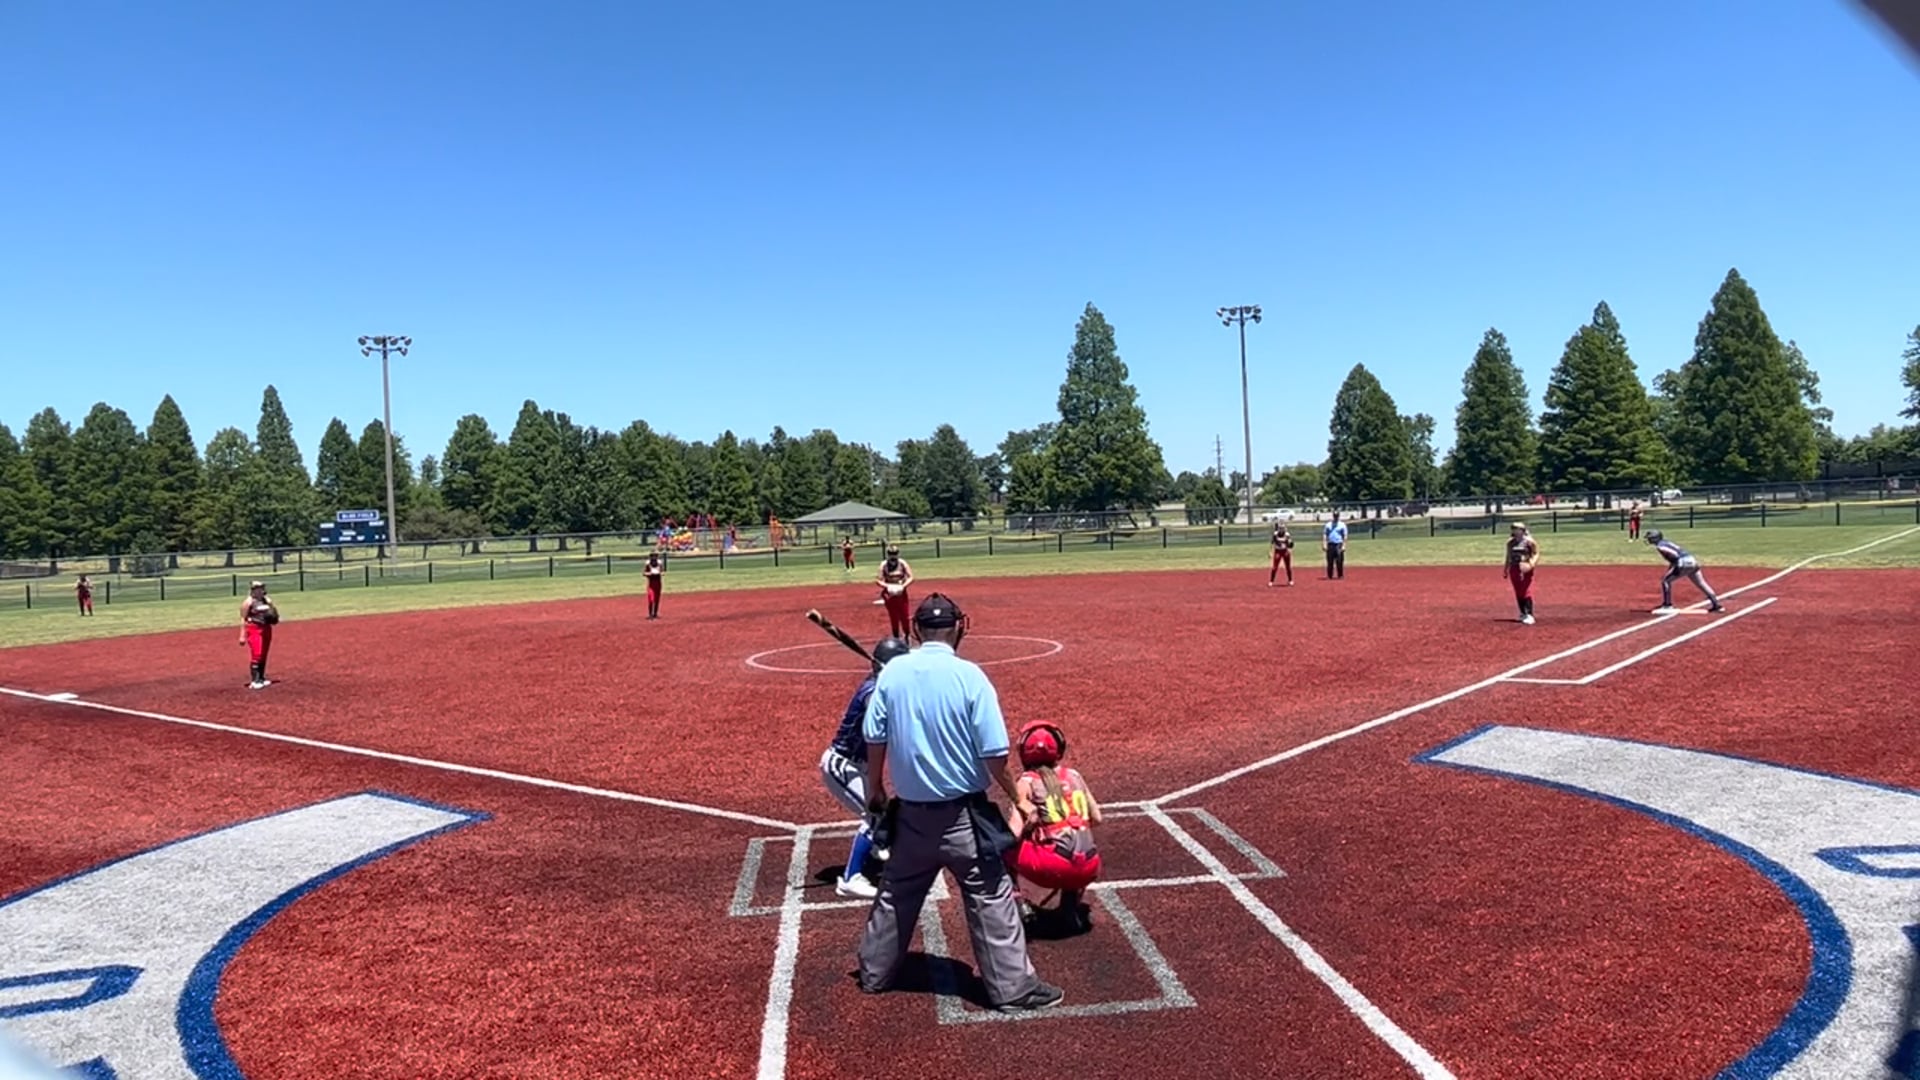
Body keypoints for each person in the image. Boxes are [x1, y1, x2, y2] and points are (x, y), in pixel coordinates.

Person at [856, 593, 1062, 1013]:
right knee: (990, 895)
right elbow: (994, 753)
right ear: (959, 628)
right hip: (963, 818)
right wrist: (1017, 798)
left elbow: (874, 736)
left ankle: (874, 973)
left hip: (910, 815)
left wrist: (875, 786)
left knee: (896, 892)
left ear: (916, 630)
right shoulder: (970, 676)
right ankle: (1012, 989)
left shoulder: (892, 674)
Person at [819, 637, 913, 899]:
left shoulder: (881, 687)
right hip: (842, 765)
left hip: (858, 765)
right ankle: (850, 879)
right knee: (874, 814)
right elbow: (879, 715)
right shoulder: (871, 691)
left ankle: (873, 847)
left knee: (883, 812)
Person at [1005, 720, 1102, 934]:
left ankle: (1019, 904)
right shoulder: (1074, 776)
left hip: (1054, 866)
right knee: (1076, 844)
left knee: (1003, 850)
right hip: (1090, 865)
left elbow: (1013, 833)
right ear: (1059, 748)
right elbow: (1096, 818)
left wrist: (1033, 833)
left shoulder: (1026, 782)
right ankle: (1070, 907)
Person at [1646, 531, 1725, 614]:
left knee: (1665, 581)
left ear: (1655, 538)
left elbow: (1675, 556)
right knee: (1701, 583)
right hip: (1692, 560)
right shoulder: (1666, 542)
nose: (1648, 539)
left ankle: (1667, 605)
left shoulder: (1661, 546)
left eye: (1650, 537)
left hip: (1683, 562)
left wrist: (1677, 567)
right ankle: (1716, 605)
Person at [239, 580, 279, 690]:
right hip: (254, 628)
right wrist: (242, 635)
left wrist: (274, 616)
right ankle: (254, 681)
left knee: (264, 653)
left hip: (266, 628)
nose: (260, 590)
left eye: (261, 588)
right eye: (257, 588)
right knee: (257, 653)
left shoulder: (267, 600)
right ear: (252, 590)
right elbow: (243, 619)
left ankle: (261, 678)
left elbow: (273, 612)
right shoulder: (248, 602)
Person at [875, 543, 914, 639]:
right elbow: (878, 580)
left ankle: (907, 635)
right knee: (893, 616)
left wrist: (903, 586)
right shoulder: (884, 565)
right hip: (890, 594)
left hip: (901, 593)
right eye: (891, 553)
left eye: (895, 553)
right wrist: (888, 586)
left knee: (904, 615)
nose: (893, 556)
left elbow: (911, 577)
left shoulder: (902, 563)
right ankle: (896, 635)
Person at [1505, 522, 1539, 625]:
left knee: (1525, 589)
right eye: (1513, 528)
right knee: (1518, 590)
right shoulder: (1510, 542)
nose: (1515, 530)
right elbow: (1508, 556)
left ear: (1523, 530)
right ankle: (1523, 612)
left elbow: (1536, 553)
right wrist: (1506, 568)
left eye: (1517, 528)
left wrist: (1531, 564)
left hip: (1525, 567)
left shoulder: (1529, 542)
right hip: (1514, 567)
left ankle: (1530, 614)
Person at [1322, 512, 1348, 579]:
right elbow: (1325, 535)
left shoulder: (1342, 525)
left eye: (1337, 516)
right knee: (1330, 561)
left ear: (1338, 516)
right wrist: (1324, 544)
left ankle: (1340, 575)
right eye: (1335, 516)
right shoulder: (1328, 525)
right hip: (1330, 544)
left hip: (1339, 544)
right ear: (1333, 516)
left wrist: (1344, 545)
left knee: (1339, 561)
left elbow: (1345, 536)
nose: (1336, 517)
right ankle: (1329, 575)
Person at [1267, 522, 1294, 587]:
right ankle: (1271, 581)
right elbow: (1272, 543)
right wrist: (1270, 552)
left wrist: (1290, 546)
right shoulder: (1275, 534)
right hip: (1278, 551)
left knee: (1288, 567)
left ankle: (1290, 580)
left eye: (1283, 528)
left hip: (1285, 551)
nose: (1281, 529)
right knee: (1274, 567)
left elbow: (1290, 544)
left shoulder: (1287, 534)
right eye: (1280, 528)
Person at [644, 552, 664, 619]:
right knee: (651, 599)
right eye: (652, 556)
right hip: (651, 583)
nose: (654, 557)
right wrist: (650, 574)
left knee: (656, 599)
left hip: (658, 583)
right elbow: (644, 573)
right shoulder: (648, 564)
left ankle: (655, 614)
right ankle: (650, 614)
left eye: (655, 556)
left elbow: (662, 572)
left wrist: (659, 573)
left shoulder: (659, 563)